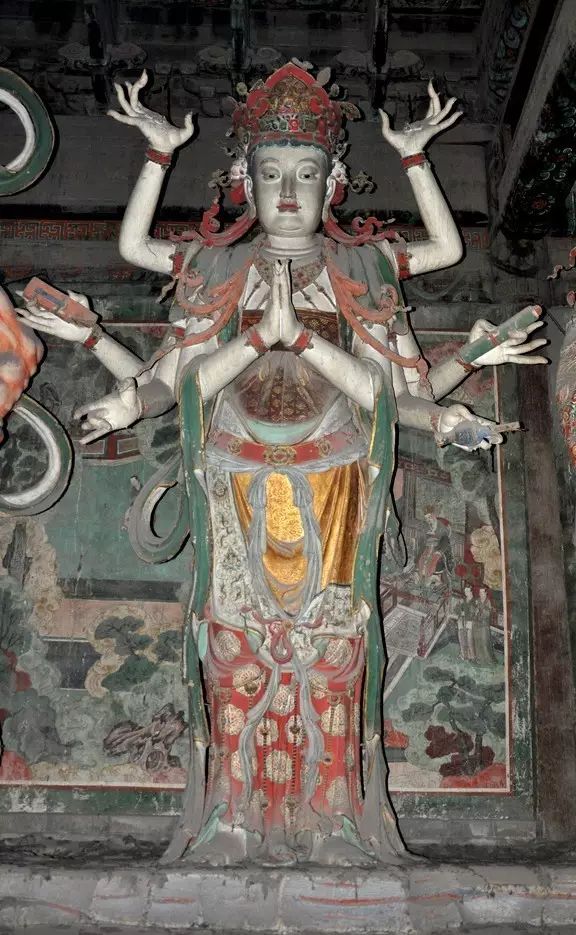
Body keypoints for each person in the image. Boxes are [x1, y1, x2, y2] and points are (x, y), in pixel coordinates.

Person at [16, 64, 546, 865]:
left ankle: (332, 821)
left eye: (306, 173)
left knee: (334, 651)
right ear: (244, 181)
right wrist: (157, 159)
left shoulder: (359, 271)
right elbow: (170, 373)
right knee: (233, 649)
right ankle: (234, 818)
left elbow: (397, 387)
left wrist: (447, 409)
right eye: (271, 174)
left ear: (333, 184)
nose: (288, 192)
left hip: (335, 475)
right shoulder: (218, 269)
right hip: (234, 475)